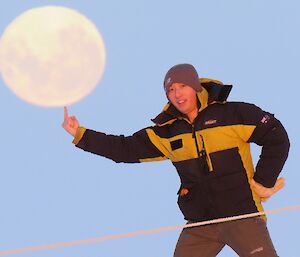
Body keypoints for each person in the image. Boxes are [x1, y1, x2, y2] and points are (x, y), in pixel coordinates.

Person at [62, 64, 290, 257]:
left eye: (182, 86)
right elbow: (124, 149)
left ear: (196, 86)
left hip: (243, 217)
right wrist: (81, 134)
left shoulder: (233, 114)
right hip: (201, 224)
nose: (177, 94)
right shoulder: (168, 133)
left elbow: (276, 136)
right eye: (171, 90)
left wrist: (263, 180)